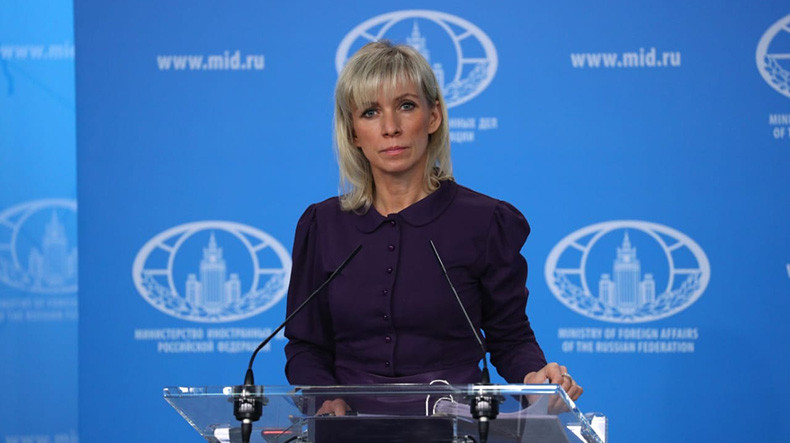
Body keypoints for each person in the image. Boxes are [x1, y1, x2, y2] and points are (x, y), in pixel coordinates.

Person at [283, 41, 582, 416]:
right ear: (354, 132)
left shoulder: (484, 221)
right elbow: (306, 345)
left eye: (406, 106)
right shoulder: (323, 225)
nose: (391, 128)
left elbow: (510, 337)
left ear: (434, 116)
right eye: (371, 112)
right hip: (348, 427)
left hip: (457, 423)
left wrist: (534, 380)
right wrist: (325, 399)